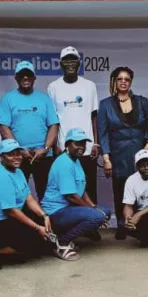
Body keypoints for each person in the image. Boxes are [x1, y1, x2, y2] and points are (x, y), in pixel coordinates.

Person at [0, 139, 59, 268]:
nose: (16, 157)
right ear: (1, 157)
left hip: (6, 218)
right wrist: (36, 227)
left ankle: (10, 250)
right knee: (33, 242)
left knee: (49, 226)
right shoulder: (1, 176)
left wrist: (44, 216)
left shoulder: (18, 172)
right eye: (11, 154)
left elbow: (28, 198)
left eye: (18, 153)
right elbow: (10, 210)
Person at [98, 66, 148, 239]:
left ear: (131, 82)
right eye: (120, 79)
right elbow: (103, 132)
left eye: (127, 79)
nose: (123, 82)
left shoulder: (142, 101)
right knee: (121, 189)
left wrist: (147, 147)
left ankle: (141, 223)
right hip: (118, 153)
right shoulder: (106, 104)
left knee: (142, 187)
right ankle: (123, 225)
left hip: (140, 152)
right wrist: (106, 158)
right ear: (114, 81)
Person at [41, 128, 112, 260]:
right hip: (55, 212)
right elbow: (70, 196)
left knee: (105, 212)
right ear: (67, 144)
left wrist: (94, 207)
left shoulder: (76, 160)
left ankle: (66, 235)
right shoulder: (64, 163)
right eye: (77, 143)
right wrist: (94, 212)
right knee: (97, 217)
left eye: (83, 144)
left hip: (69, 209)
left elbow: (81, 189)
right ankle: (62, 242)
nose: (82, 147)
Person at [0, 61, 59, 199]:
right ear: (16, 78)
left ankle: (45, 220)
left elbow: (53, 125)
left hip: (43, 156)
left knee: (46, 194)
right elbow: (3, 127)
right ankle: (21, 221)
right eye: (22, 75)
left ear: (34, 78)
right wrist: (18, 150)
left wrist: (46, 148)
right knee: (18, 194)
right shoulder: (8, 98)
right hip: (17, 156)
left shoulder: (44, 99)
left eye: (29, 75)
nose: (25, 78)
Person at [47, 47, 100, 202]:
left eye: (73, 60)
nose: (70, 63)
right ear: (61, 64)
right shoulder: (53, 87)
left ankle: (93, 221)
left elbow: (94, 116)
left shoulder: (89, 86)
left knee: (89, 187)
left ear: (79, 63)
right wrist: (55, 144)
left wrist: (95, 143)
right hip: (64, 148)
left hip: (87, 148)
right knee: (67, 191)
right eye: (66, 60)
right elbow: (52, 120)